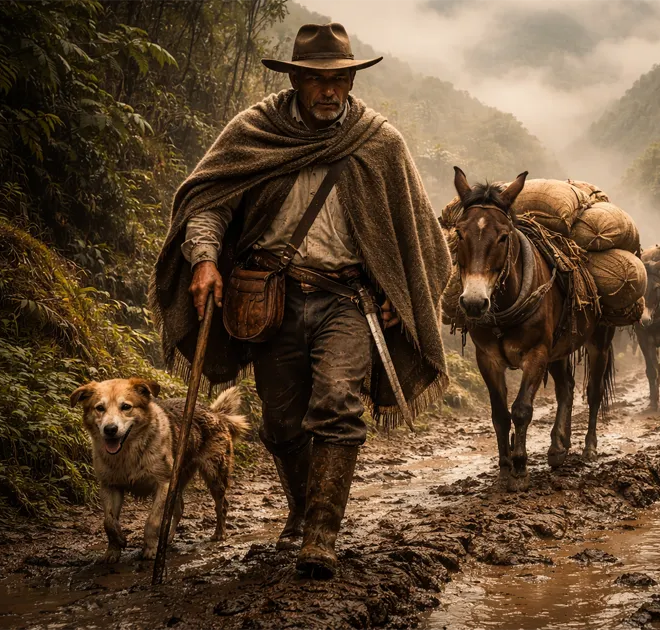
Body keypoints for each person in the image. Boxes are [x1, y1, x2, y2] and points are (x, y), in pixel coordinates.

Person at [148, 22, 451, 579]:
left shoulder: (378, 142)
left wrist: (399, 294)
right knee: (282, 424)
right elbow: (209, 201)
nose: (329, 91)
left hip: (348, 300)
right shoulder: (255, 130)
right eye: (316, 79)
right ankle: (301, 507)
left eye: (339, 78)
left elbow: (414, 235)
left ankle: (321, 536)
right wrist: (205, 258)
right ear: (295, 79)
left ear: (351, 79)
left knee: (337, 403)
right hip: (268, 300)